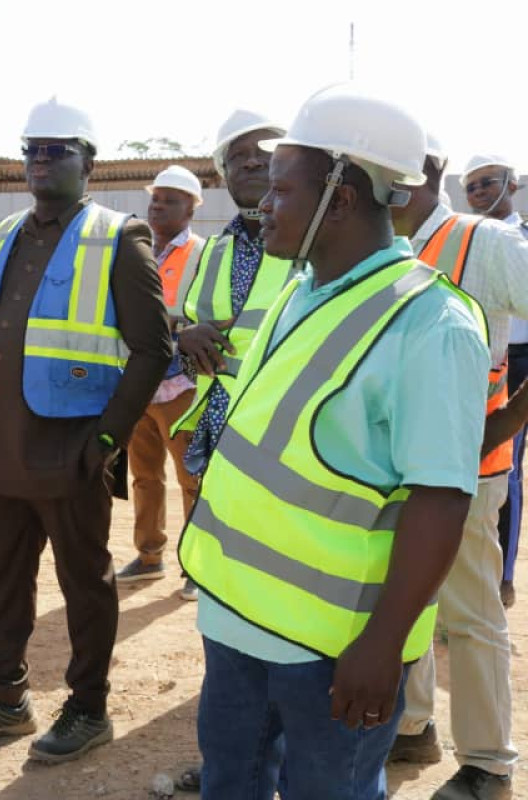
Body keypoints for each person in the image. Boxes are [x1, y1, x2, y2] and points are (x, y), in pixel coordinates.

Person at [180, 84, 488, 799]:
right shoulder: (303, 286)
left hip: (331, 647)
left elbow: (440, 499)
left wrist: (382, 646)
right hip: (235, 617)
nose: (263, 205)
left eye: (283, 191)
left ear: (341, 202)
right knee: (233, 782)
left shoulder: (431, 326)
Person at [0, 98, 171, 763]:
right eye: (31, 151)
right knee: (4, 582)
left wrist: (105, 441)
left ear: (87, 162)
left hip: (68, 447)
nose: (40, 163)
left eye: (56, 151)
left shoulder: (119, 237)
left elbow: (153, 349)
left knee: (84, 582)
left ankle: (88, 708)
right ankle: (6, 697)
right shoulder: (7, 230)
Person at [386, 144, 528, 800]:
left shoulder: (484, 241)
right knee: (405, 600)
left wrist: (512, 417)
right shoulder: (381, 251)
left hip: (469, 468)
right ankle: (413, 725)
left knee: (468, 614)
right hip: (395, 469)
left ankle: (489, 764)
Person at [175, 110, 295, 477]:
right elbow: (192, 333)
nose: (252, 161)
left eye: (263, 151)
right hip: (219, 434)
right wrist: (184, 338)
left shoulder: (319, 246)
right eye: (238, 156)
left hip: (290, 440)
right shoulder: (213, 251)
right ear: (225, 172)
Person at [117, 166, 204, 600]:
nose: (158, 205)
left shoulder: (204, 255)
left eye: (170, 199)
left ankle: (197, 567)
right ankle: (149, 556)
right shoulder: (137, 250)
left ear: (191, 207)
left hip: (182, 386)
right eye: (155, 198)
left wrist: (163, 323)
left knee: (193, 477)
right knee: (144, 476)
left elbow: (202, 313)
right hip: (139, 383)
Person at [461, 154, 526, 610]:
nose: (481, 192)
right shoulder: (464, 242)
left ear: (513, 185)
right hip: (492, 364)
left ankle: (502, 577)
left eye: (489, 183)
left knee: (507, 473)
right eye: (473, 186)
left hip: (522, 366)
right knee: (500, 470)